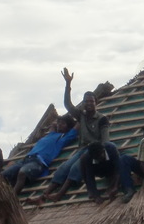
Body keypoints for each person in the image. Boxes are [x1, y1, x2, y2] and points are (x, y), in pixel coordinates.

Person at [28, 68, 110, 205]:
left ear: (96, 103)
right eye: (86, 101)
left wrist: (100, 155)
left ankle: (59, 194)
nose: (89, 104)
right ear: (83, 103)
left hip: (93, 150)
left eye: (92, 101)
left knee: (75, 168)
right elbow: (67, 104)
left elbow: (105, 140)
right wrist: (68, 84)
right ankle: (44, 195)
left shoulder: (102, 119)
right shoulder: (82, 116)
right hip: (82, 148)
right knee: (63, 168)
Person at [1, 114, 78, 196]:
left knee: (22, 173)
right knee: (1, 176)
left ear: (68, 127)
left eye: (63, 123)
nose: (59, 124)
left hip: (38, 162)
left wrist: (80, 114)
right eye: (59, 123)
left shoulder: (64, 137)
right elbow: (53, 124)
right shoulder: (51, 134)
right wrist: (59, 121)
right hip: (26, 159)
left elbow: (77, 126)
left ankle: (12, 198)